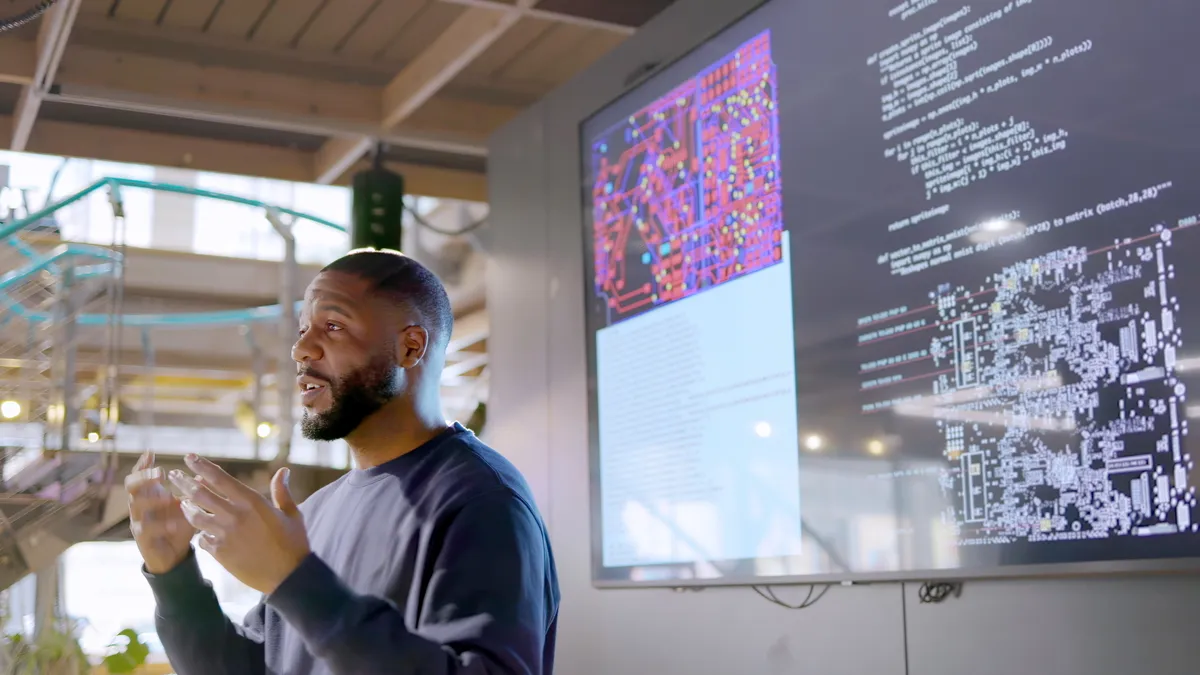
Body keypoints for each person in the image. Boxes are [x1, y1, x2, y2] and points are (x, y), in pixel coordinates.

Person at [125, 249, 560, 675]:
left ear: (410, 347)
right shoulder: (314, 512)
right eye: (302, 330)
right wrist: (175, 577)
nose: (301, 351)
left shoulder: (483, 501)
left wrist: (294, 581)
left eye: (332, 326)